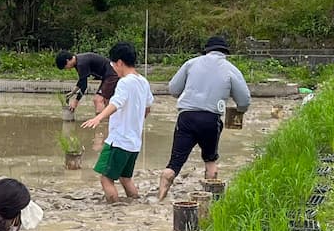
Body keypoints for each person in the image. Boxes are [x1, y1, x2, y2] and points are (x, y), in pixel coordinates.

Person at [157, 36, 251, 201]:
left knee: (176, 161)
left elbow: (173, 89)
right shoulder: (231, 69)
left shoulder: (191, 63)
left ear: (206, 50)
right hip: (210, 120)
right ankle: (211, 198)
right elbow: (244, 100)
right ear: (225, 52)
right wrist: (240, 110)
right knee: (210, 159)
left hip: (186, 117)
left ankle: (164, 183)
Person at [81, 42, 151, 203]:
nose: (113, 69)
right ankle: (134, 204)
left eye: (113, 65)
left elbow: (115, 103)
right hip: (134, 142)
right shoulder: (144, 82)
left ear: (120, 62)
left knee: (106, 179)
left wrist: (98, 117)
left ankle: (115, 212)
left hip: (119, 141)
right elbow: (147, 108)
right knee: (126, 178)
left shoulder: (125, 82)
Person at [56, 50, 119, 115]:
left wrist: (75, 102)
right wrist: (73, 92)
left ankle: (100, 122)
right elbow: (82, 80)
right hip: (108, 75)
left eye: (65, 67)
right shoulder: (78, 60)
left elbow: (84, 85)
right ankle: (108, 122)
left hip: (112, 75)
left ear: (67, 61)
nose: (67, 69)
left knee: (98, 100)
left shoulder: (81, 63)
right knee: (106, 101)